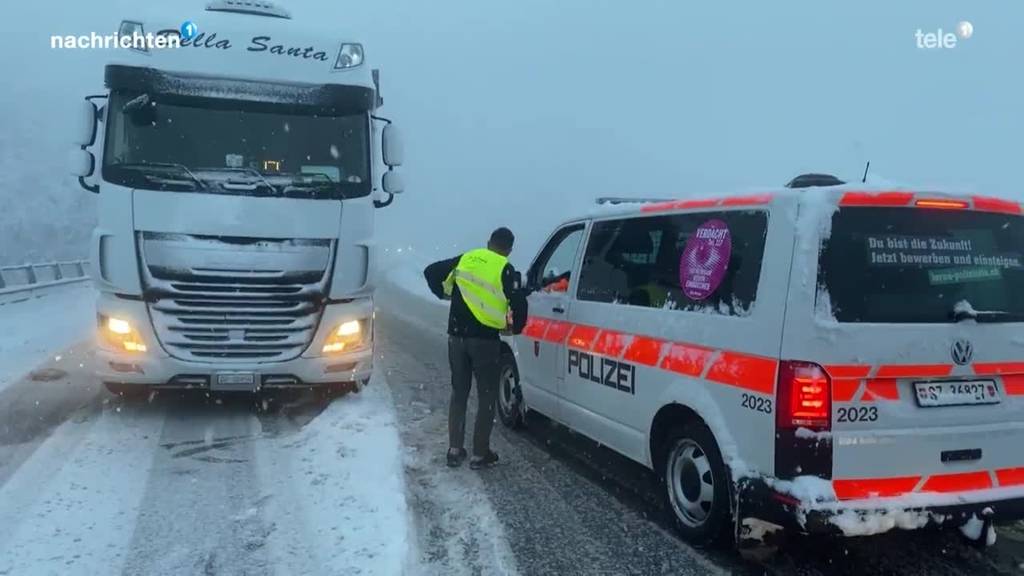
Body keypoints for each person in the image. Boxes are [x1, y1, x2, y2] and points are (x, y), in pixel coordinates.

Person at [424, 227, 524, 469]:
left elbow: (431, 271)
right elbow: (519, 302)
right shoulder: (505, 268)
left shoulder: (467, 258)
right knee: (487, 395)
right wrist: (516, 327)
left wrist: (444, 295)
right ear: (509, 249)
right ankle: (480, 454)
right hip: (485, 341)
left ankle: (454, 450)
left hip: (456, 337)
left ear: (488, 242)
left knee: (459, 393)